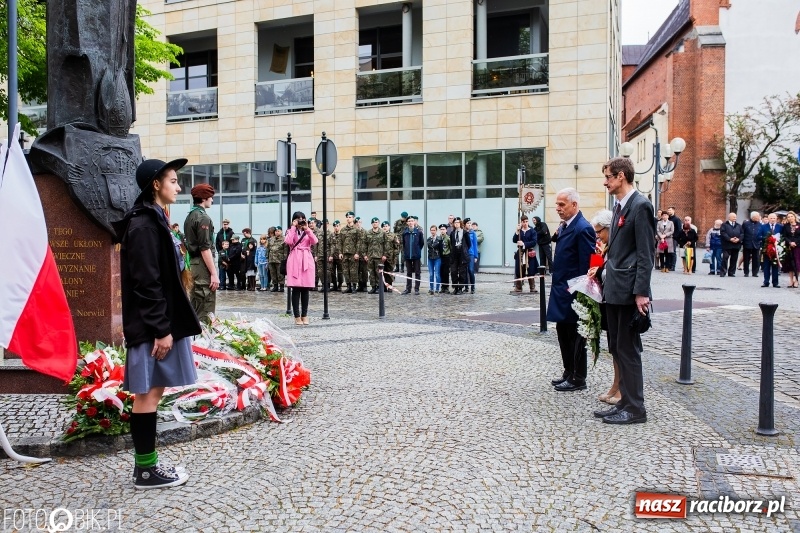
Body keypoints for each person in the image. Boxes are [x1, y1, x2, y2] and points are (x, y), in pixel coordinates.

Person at [114, 158, 201, 489]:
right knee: (148, 396)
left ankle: (147, 467)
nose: (179, 187)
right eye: (173, 181)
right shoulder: (144, 225)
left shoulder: (154, 219)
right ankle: (146, 471)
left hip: (159, 323)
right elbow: (146, 283)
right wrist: (161, 330)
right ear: (155, 184)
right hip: (152, 328)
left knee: (154, 392)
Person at [594, 157, 654, 425]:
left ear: (621, 176)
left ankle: (635, 408)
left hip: (629, 292)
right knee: (618, 347)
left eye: (608, 177)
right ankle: (624, 402)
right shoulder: (619, 206)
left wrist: (641, 292)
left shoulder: (640, 206)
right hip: (615, 289)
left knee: (629, 350)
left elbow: (645, 253)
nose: (605, 182)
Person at [547, 189, 594, 392]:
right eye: (557, 204)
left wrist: (582, 294)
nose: (558, 208)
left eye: (562, 204)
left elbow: (587, 265)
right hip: (561, 289)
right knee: (562, 332)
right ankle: (568, 371)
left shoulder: (583, 228)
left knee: (576, 335)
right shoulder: (566, 226)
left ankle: (578, 377)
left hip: (574, 292)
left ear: (574, 205)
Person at [587, 209, 620, 405]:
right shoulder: (603, 247)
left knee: (620, 349)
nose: (598, 236)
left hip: (617, 301)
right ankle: (615, 386)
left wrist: (598, 271)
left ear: (610, 228)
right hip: (606, 301)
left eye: (600, 231)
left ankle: (621, 388)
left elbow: (611, 273)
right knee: (613, 348)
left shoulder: (616, 246)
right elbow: (598, 270)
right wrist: (595, 269)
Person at [183, 182, 219, 324]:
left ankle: (195, 334)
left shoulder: (190, 215)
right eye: (210, 197)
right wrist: (214, 273)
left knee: (196, 302)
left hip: (193, 263)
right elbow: (205, 248)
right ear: (204, 198)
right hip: (202, 264)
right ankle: (203, 335)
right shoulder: (203, 217)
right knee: (205, 304)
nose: (212, 200)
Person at [285, 212, 318, 325]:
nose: (300, 221)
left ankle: (305, 315)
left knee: (305, 289)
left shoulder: (307, 231)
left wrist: (307, 229)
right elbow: (288, 241)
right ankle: (296, 316)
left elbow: (315, 241)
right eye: (298, 219)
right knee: (296, 289)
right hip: (295, 260)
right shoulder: (290, 231)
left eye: (302, 218)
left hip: (306, 259)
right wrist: (293, 227)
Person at [512, 215, 538, 293]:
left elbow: (534, 242)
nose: (525, 223)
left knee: (531, 270)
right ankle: (518, 287)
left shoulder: (532, 231)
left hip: (529, 253)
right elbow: (514, 240)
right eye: (523, 222)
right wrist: (517, 231)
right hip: (520, 253)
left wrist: (524, 244)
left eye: (526, 221)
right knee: (519, 270)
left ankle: (532, 287)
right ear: (521, 222)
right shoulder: (520, 231)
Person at [363, 217, 390, 294]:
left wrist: (385, 255)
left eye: (376, 222)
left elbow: (386, 245)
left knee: (378, 273)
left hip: (379, 256)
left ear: (378, 223)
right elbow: (364, 244)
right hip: (370, 256)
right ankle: (373, 287)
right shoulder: (368, 233)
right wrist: (365, 255)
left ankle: (379, 287)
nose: (375, 223)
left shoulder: (382, 233)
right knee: (371, 272)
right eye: (373, 222)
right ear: (371, 224)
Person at [401, 215, 424, 295]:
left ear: (414, 222)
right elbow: (404, 244)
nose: (410, 222)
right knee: (409, 273)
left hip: (416, 256)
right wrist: (406, 251)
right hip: (408, 256)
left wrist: (417, 250)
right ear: (407, 223)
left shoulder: (419, 232)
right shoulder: (405, 232)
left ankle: (417, 289)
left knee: (417, 272)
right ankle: (408, 289)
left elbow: (421, 243)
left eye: (412, 221)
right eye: (409, 221)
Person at [759, 213, 783, 288]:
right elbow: (759, 236)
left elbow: (783, 236)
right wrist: (768, 239)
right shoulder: (763, 226)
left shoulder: (780, 227)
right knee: (766, 266)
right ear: (768, 219)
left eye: (774, 218)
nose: (772, 220)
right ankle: (766, 282)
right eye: (771, 218)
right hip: (766, 249)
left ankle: (775, 282)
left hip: (776, 249)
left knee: (775, 265)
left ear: (776, 219)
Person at [339, 212, 361, 293]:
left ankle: (354, 286)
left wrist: (357, 253)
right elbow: (340, 242)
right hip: (345, 253)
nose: (348, 218)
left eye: (350, 217)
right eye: (347, 217)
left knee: (353, 271)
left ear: (353, 218)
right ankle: (348, 286)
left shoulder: (356, 229)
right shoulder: (343, 230)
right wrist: (340, 252)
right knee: (345, 271)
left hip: (353, 253)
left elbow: (359, 242)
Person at [449, 218, 469, 294]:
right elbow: (451, 243)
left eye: (458, 222)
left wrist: (464, 250)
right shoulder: (452, 233)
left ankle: (460, 288)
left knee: (462, 271)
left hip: (462, 253)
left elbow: (468, 244)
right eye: (455, 222)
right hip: (454, 253)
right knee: (453, 271)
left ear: (460, 223)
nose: (456, 224)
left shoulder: (465, 233)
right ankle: (455, 287)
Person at [719, 212, 743, 277]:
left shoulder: (739, 225)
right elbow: (723, 233)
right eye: (733, 217)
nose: (735, 218)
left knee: (734, 259)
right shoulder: (724, 225)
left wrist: (738, 239)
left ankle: (731, 272)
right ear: (729, 217)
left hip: (736, 245)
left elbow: (742, 234)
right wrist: (730, 239)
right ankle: (723, 272)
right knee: (725, 258)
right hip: (727, 245)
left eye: (735, 217)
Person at [781, 211, 800, 288]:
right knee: (790, 264)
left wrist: (795, 242)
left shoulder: (799, 225)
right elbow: (784, 236)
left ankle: (796, 280)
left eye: (791, 216)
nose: (790, 218)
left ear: (795, 217)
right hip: (789, 246)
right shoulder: (786, 226)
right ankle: (791, 280)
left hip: (798, 246)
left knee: (797, 263)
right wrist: (789, 242)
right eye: (788, 217)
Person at [741, 211, 762, 278]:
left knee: (756, 258)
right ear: (753, 217)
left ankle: (755, 272)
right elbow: (742, 232)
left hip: (756, 243)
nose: (758, 218)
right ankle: (746, 272)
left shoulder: (760, 224)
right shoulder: (746, 224)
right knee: (746, 258)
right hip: (747, 242)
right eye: (757, 216)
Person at [383, 221, 401, 292]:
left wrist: (395, 256)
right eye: (383, 226)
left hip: (390, 257)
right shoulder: (380, 235)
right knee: (382, 272)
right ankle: (384, 287)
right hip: (382, 257)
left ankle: (390, 286)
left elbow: (397, 246)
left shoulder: (393, 235)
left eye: (386, 226)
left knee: (389, 272)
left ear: (389, 227)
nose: (385, 227)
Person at [268, 226, 287, 292]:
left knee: (280, 274)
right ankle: (275, 286)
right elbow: (268, 249)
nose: (277, 232)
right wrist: (267, 257)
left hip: (279, 259)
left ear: (281, 231)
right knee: (273, 273)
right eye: (276, 231)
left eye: (278, 231)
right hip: (271, 259)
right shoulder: (271, 239)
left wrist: (285, 259)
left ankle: (281, 286)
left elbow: (285, 250)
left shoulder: (284, 239)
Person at [426, 224, 444, 294]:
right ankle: (431, 288)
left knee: (437, 274)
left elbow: (441, 250)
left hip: (437, 258)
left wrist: (440, 257)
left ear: (436, 231)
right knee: (431, 274)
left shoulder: (439, 239)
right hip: (430, 258)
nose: (432, 231)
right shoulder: (428, 239)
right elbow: (429, 248)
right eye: (431, 230)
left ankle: (437, 288)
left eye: (434, 230)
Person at [464, 217, 479, 293]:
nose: (469, 224)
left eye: (470, 223)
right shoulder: (463, 232)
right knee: (465, 271)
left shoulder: (473, 233)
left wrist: (476, 256)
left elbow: (475, 245)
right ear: (464, 224)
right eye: (468, 223)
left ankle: (473, 287)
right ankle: (466, 287)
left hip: (471, 254)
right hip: (464, 254)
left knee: (471, 270)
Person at [329, 220, 344, 291]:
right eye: (335, 226)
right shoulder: (331, 235)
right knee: (332, 271)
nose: (336, 227)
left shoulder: (342, 235)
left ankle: (340, 285)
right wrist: (330, 255)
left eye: (337, 226)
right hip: (332, 256)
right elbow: (330, 245)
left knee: (340, 272)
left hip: (340, 256)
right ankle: (334, 285)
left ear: (340, 226)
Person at [666, 207, 682, 271]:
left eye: (670, 210)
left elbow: (679, 229)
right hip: (667, 237)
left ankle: (673, 266)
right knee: (668, 252)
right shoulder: (668, 219)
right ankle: (668, 265)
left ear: (673, 211)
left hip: (673, 238)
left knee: (672, 252)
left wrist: (675, 237)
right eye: (668, 210)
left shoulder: (677, 219)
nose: (669, 211)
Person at [438, 224, 452, 294]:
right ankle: (442, 287)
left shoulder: (448, 238)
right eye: (441, 229)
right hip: (440, 257)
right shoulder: (438, 238)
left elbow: (451, 248)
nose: (442, 231)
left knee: (446, 272)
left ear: (446, 230)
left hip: (447, 256)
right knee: (441, 272)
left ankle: (446, 287)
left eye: (443, 229)